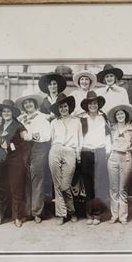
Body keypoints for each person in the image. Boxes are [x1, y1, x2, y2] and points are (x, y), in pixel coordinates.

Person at [15, 91, 51, 224]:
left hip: (39, 148)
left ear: (35, 103)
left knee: (37, 178)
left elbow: (46, 135)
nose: (28, 104)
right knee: (26, 179)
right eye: (25, 103)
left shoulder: (43, 117)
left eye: (30, 102)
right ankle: (27, 211)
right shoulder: (21, 118)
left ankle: (37, 212)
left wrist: (32, 135)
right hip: (24, 149)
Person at [0, 99, 30, 228]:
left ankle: (17, 217)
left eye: (8, 111)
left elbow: (25, 137)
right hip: (1, 160)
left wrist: (27, 136)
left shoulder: (18, 125)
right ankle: (0, 216)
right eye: (4, 111)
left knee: (16, 189)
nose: (6, 113)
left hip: (15, 160)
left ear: (12, 112)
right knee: (2, 189)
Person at [48, 93, 82, 225]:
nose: (63, 109)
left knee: (65, 184)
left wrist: (78, 155)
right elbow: (50, 139)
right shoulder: (54, 122)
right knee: (57, 184)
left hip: (70, 151)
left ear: (69, 107)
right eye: (60, 107)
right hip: (55, 150)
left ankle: (72, 211)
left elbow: (80, 139)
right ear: (58, 109)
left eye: (65, 106)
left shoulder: (76, 121)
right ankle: (62, 214)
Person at [79, 91, 111, 225]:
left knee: (99, 184)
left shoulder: (103, 118)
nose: (93, 105)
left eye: (95, 103)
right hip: (86, 152)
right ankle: (89, 214)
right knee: (88, 184)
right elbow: (79, 136)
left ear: (98, 104)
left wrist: (108, 151)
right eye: (90, 103)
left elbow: (108, 136)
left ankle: (97, 214)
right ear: (86, 105)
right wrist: (79, 153)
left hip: (100, 151)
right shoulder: (81, 118)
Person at [106, 103, 132, 225]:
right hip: (113, 157)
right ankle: (114, 215)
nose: (120, 115)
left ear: (126, 115)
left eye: (122, 113)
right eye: (117, 114)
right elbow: (107, 142)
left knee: (123, 188)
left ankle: (123, 216)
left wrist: (130, 148)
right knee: (113, 188)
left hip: (126, 158)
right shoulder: (112, 128)